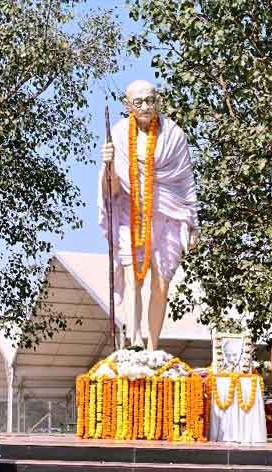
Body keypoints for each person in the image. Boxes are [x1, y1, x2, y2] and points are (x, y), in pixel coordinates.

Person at [100, 79, 199, 350]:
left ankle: (153, 347)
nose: (145, 106)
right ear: (127, 105)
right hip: (130, 214)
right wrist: (108, 165)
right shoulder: (119, 135)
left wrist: (192, 223)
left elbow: (186, 182)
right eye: (138, 102)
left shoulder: (174, 135)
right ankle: (134, 342)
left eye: (150, 100)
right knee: (134, 278)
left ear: (159, 100)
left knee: (161, 285)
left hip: (167, 218)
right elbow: (112, 189)